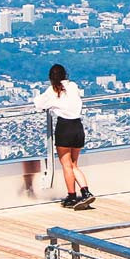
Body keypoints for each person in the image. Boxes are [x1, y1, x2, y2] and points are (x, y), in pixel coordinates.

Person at [33, 63, 95, 209]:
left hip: (64, 127)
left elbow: (39, 104)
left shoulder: (52, 90)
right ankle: (85, 191)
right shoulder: (73, 86)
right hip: (78, 127)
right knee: (74, 164)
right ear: (65, 74)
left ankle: (72, 196)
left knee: (67, 165)